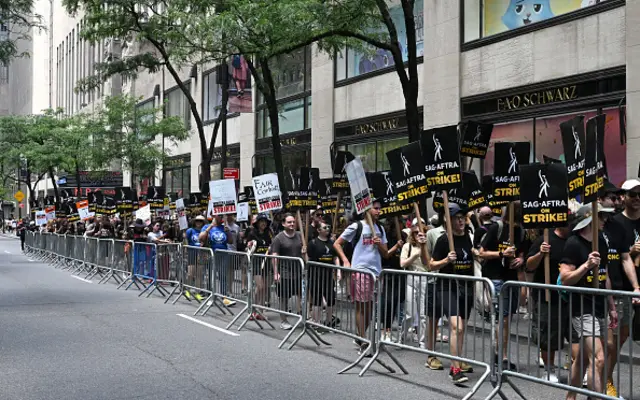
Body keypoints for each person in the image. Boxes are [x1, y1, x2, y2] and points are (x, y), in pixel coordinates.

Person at [560, 203, 615, 399]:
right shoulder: (573, 243)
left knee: (583, 360)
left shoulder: (601, 240)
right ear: (588, 220)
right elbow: (565, 279)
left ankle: (570, 396)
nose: (604, 220)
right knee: (598, 359)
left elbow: (604, 274)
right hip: (582, 308)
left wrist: (612, 306)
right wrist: (586, 265)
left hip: (599, 307)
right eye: (600, 217)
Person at [334, 201, 402, 356]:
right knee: (362, 307)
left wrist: (394, 246)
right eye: (375, 208)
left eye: (379, 208)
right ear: (366, 209)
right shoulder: (357, 226)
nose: (379, 211)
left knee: (370, 309)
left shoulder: (380, 229)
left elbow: (385, 254)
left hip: (376, 273)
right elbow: (337, 243)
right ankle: (364, 341)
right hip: (361, 271)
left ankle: (360, 337)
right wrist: (345, 260)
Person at [430, 204, 475, 384]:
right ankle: (455, 369)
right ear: (449, 220)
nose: (461, 220)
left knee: (461, 329)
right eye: (456, 218)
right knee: (456, 327)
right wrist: (446, 260)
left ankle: (458, 360)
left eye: (462, 217)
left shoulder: (469, 236)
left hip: (467, 287)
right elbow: (432, 265)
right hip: (448, 287)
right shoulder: (444, 240)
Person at [479, 201, 526, 371]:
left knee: (507, 318)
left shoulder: (521, 231)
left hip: (511, 277)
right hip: (496, 277)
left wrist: (520, 260)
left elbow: (521, 254)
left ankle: (501, 353)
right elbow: (480, 252)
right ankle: (501, 356)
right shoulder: (496, 228)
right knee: (503, 318)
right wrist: (501, 254)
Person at [525, 218, 573, 384]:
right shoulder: (544, 239)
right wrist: (540, 253)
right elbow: (529, 266)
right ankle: (549, 368)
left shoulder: (575, 240)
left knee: (576, 336)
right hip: (548, 297)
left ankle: (580, 369)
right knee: (548, 337)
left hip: (572, 297)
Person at [606, 179, 640, 396]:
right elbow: (620, 257)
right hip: (622, 289)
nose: (637, 199)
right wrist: (633, 251)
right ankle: (605, 379)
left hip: (636, 289)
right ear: (623, 197)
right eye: (633, 195)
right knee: (617, 339)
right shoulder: (615, 223)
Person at [401, 219, 433, 357]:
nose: (418, 235)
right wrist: (414, 255)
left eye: (420, 232)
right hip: (411, 277)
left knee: (422, 313)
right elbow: (402, 263)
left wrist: (423, 247)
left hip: (424, 278)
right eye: (415, 233)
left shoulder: (428, 246)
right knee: (409, 312)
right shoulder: (407, 247)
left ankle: (422, 341)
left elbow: (429, 265)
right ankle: (402, 336)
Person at [270, 213, 305, 330]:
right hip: (285, 274)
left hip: (299, 273)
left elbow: (305, 254)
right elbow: (275, 256)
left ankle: (303, 317)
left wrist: (305, 251)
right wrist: (276, 272)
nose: (292, 224)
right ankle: (284, 320)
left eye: (294, 222)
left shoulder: (301, 236)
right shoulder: (278, 238)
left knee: (303, 296)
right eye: (289, 222)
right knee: (284, 298)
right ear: (283, 224)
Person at [306, 220, 339, 330]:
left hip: (328, 275)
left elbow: (335, 257)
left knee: (330, 298)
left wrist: (338, 270)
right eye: (325, 227)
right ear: (319, 230)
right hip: (316, 275)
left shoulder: (332, 243)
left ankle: (329, 322)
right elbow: (308, 258)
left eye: (328, 227)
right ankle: (317, 322)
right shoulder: (313, 243)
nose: (328, 229)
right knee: (317, 299)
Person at [199, 214, 235, 307]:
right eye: (220, 216)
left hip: (223, 255)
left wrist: (228, 231)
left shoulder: (224, 227)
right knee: (211, 276)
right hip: (211, 255)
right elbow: (201, 238)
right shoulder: (207, 227)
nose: (222, 218)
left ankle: (224, 297)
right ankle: (211, 296)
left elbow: (230, 241)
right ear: (214, 216)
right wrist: (210, 227)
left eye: (223, 216)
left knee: (223, 276)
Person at [246, 214, 273, 320]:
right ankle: (253, 309)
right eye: (261, 221)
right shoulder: (252, 234)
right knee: (260, 286)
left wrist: (271, 247)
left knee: (265, 288)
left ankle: (260, 311)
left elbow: (272, 245)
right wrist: (251, 246)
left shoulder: (268, 234)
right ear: (257, 223)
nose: (263, 223)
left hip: (266, 262)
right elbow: (247, 248)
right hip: (256, 263)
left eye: (265, 221)